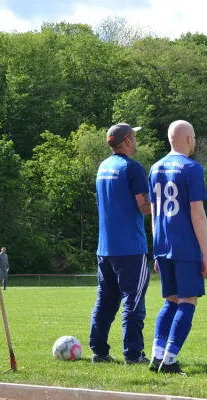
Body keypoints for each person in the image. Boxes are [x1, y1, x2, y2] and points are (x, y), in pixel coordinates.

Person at [147, 120, 207, 375]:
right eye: (193, 137)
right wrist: (205, 255)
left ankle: (157, 355)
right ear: (188, 139)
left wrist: (156, 249)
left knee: (170, 302)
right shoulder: (192, 168)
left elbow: (153, 214)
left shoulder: (154, 168)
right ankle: (171, 361)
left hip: (163, 244)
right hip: (185, 246)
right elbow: (197, 214)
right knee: (187, 302)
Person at [89, 123, 152, 365]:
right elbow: (144, 207)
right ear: (126, 140)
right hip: (131, 249)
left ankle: (100, 352)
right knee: (133, 302)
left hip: (105, 249)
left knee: (105, 301)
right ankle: (134, 355)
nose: (136, 141)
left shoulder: (103, 167)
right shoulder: (133, 168)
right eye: (134, 137)